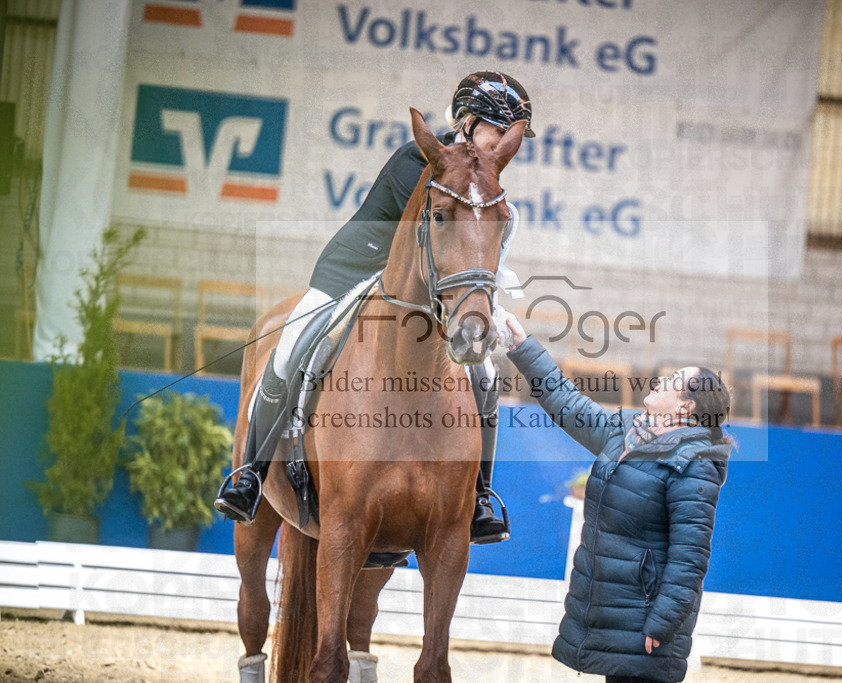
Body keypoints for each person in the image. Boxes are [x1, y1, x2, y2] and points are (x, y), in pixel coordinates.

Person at [215, 71, 536, 545]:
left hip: (422, 296)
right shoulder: (419, 160)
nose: (506, 142)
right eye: (497, 129)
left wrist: (493, 305)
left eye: (513, 136)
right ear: (467, 123)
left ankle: (481, 495)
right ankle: (251, 473)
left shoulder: (487, 190)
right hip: (355, 270)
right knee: (285, 352)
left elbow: (475, 262)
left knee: (485, 376)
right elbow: (416, 252)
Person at [502, 313, 732, 683]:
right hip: (615, 620)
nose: (660, 381)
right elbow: (568, 403)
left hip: (647, 630)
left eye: (672, 382)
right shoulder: (624, 431)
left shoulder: (695, 464)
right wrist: (522, 347)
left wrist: (662, 625)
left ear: (686, 407)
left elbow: (689, 559)